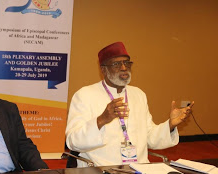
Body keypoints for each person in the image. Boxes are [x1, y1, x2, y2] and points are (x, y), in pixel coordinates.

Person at [65, 42, 194, 167]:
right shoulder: (84, 95)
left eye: (127, 63)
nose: (124, 68)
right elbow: (73, 141)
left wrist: (170, 125)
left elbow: (149, 137)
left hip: (139, 170)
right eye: (116, 64)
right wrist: (102, 120)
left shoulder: (138, 94)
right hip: (101, 171)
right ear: (103, 70)